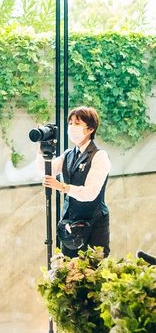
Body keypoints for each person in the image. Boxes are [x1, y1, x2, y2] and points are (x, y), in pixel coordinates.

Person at [40, 106, 111, 258]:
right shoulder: (69, 154)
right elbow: (46, 170)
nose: (72, 127)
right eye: (70, 123)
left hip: (94, 223)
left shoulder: (99, 156)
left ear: (90, 129)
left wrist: (62, 187)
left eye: (77, 123)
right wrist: (41, 149)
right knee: (69, 268)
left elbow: (90, 193)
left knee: (93, 269)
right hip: (70, 224)